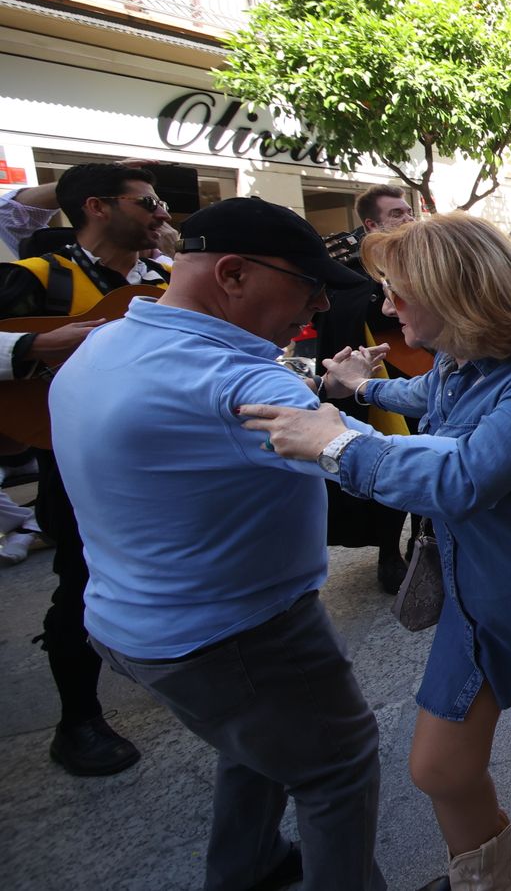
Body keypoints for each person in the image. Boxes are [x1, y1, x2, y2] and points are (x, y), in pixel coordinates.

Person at [241, 212, 511, 885]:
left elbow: (460, 479)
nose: (385, 305)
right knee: (438, 769)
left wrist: (337, 441)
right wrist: (355, 389)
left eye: (398, 290)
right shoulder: (457, 361)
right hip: (474, 594)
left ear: (456, 290)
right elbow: (424, 397)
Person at [50, 197, 385, 889]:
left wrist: (330, 384)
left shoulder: (109, 339)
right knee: (336, 768)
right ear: (232, 274)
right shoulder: (236, 381)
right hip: (241, 636)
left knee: (257, 745)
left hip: (127, 621)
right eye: (307, 286)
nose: (320, 306)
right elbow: (393, 473)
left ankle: (247, 866)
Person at [0, 162, 172, 777]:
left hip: (162, 461)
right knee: (81, 580)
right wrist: (39, 346)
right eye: (148, 202)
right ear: (98, 207)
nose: (161, 213)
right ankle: (78, 722)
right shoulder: (35, 277)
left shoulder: (167, 280)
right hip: (74, 464)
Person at [314, 183, 415, 594]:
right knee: (386, 464)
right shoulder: (351, 275)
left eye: (409, 211)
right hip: (374, 381)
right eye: (396, 214)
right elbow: (348, 315)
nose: (408, 218)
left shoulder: (422, 261)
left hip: (420, 375)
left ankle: (424, 540)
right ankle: (389, 551)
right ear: (371, 224)